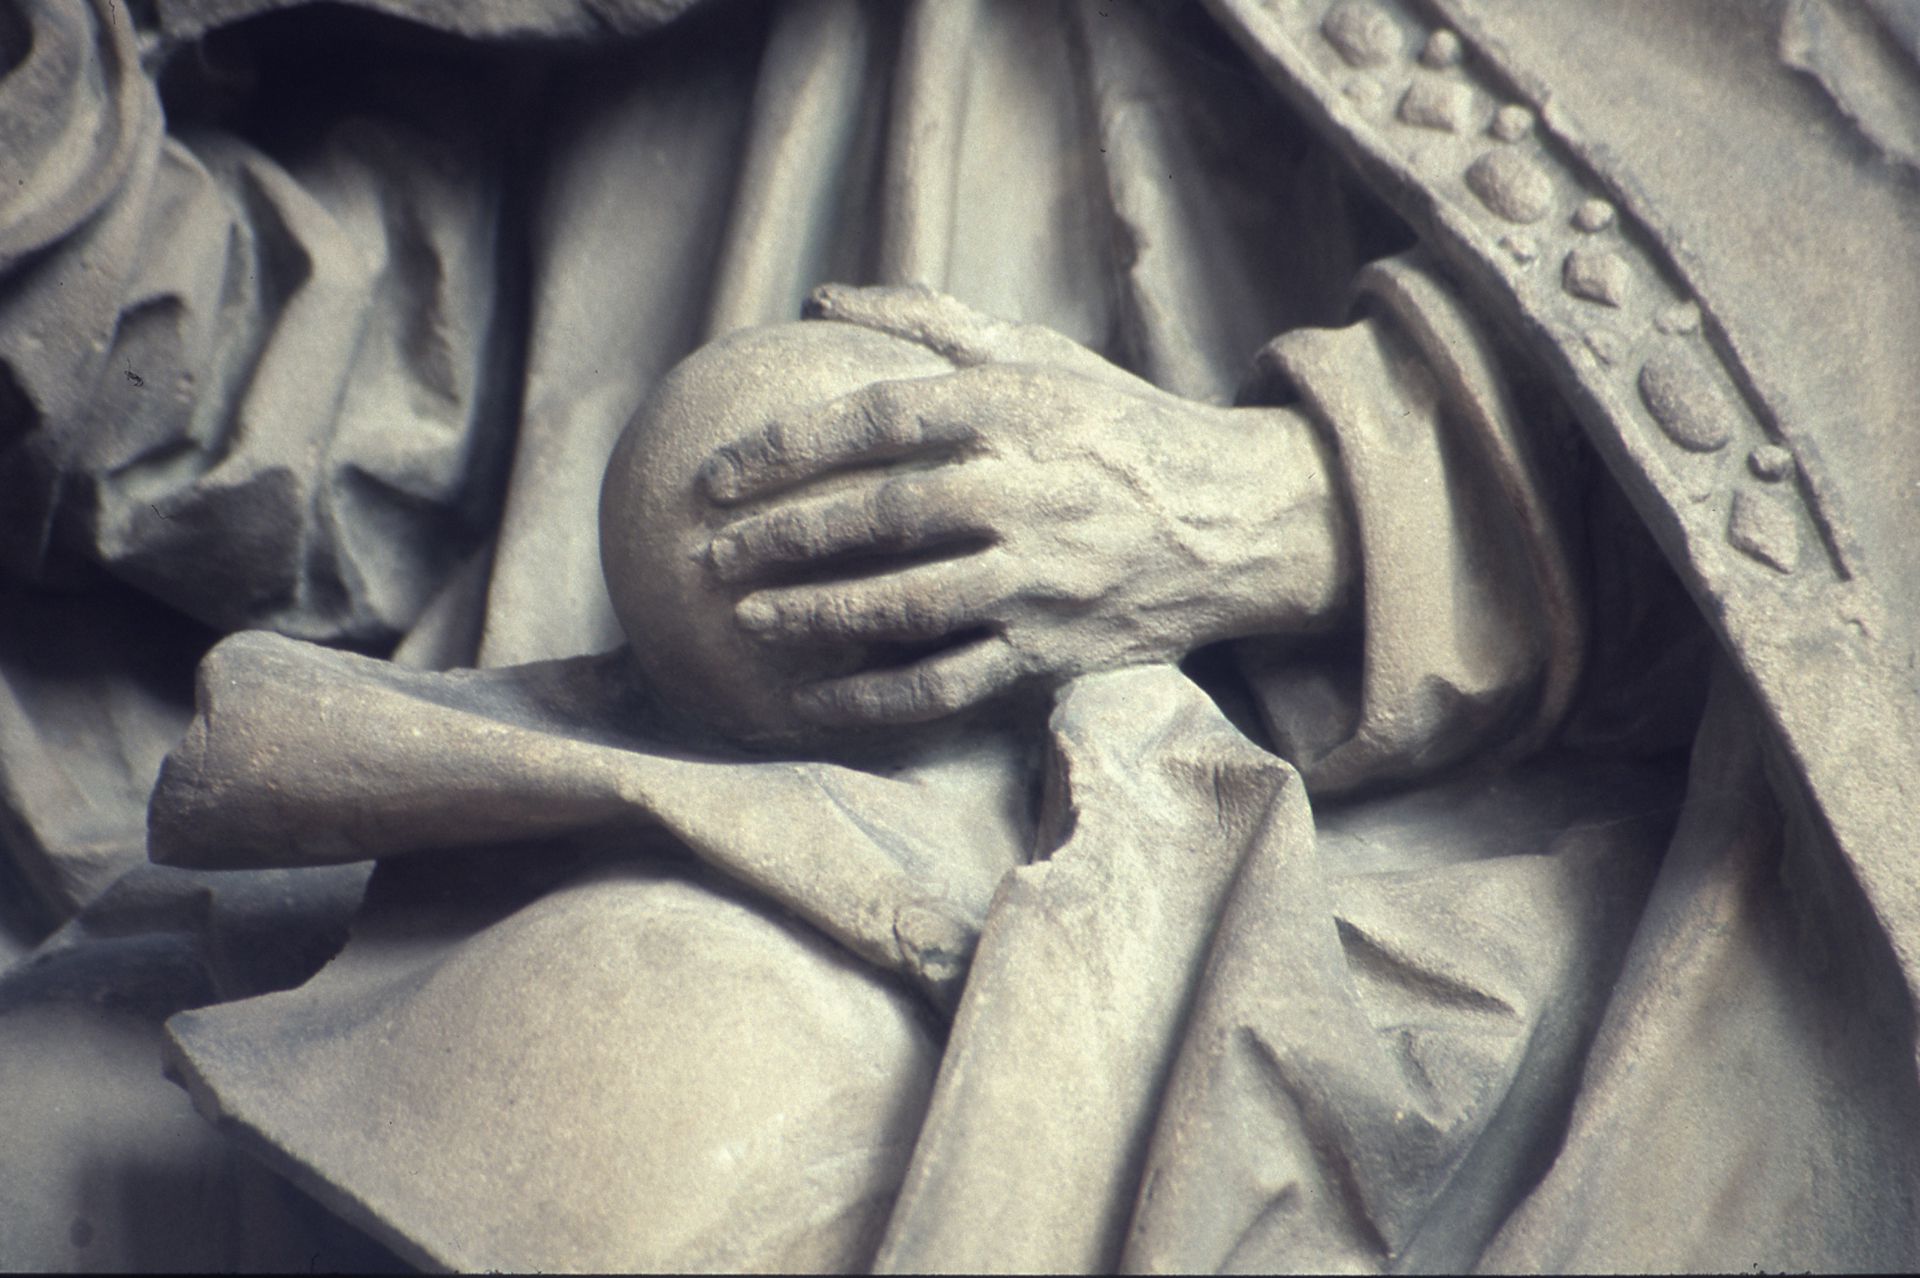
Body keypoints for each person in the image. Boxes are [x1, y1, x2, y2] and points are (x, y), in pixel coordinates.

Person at [4, 0, 1920, 1271]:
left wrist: (1272, 501)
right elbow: (349, 425)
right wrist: (47, 162)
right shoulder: (640, 43)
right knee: (51, 1140)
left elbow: (1830, 417)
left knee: (612, 1085)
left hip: (1331, 851)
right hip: (621, 766)